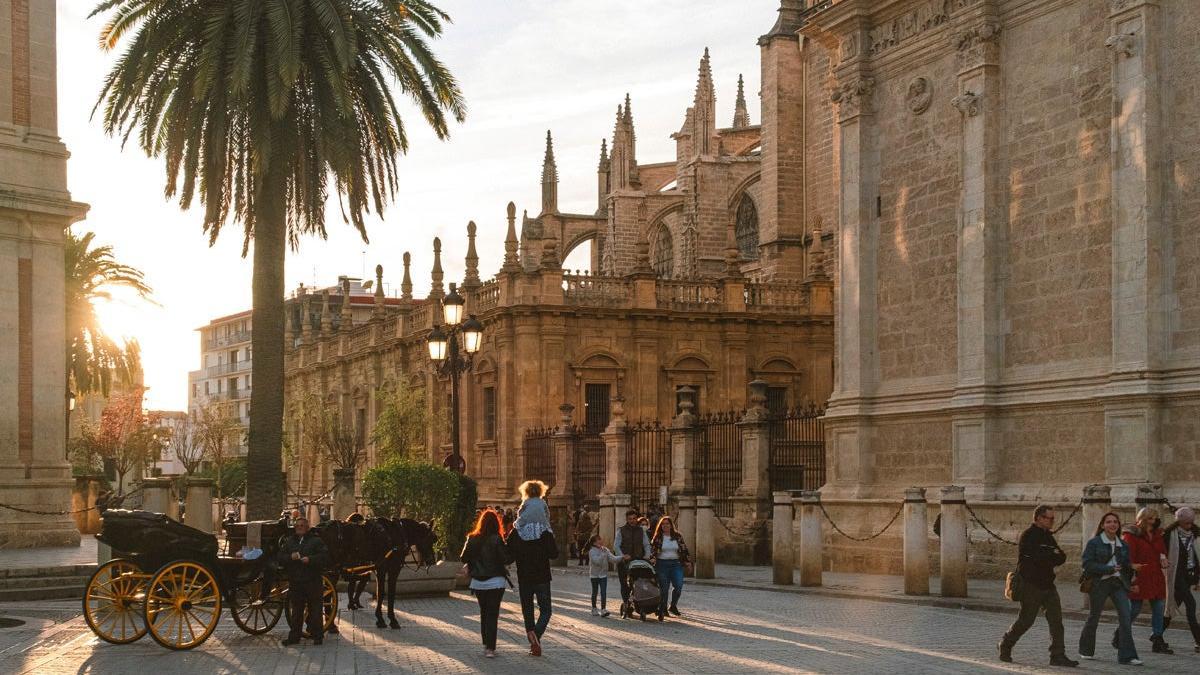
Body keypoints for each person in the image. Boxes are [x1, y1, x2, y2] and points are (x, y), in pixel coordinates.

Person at [998, 505, 1077, 667]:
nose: (1053, 521)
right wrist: (1049, 556)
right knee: (1026, 620)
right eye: (1050, 518)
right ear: (1039, 518)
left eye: (1053, 518)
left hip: (1048, 585)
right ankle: (1005, 644)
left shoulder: (1048, 536)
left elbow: (1061, 556)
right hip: (1031, 585)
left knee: (1056, 622)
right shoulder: (1028, 536)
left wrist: (1048, 556)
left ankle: (1057, 655)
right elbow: (1034, 559)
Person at [1078, 512, 1140, 665]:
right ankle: (1086, 650)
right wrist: (1108, 569)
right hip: (1100, 583)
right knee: (1094, 616)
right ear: (1102, 525)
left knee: (1126, 617)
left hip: (1118, 584)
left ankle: (1127, 656)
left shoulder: (1123, 544)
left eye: (1115, 522)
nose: (1112, 524)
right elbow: (1087, 564)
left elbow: (1125, 565)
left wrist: (1132, 573)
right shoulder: (1095, 543)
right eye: (1108, 522)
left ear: (1118, 525)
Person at [1116, 508, 1172, 654]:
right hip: (1139, 575)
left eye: (1155, 518)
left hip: (1155, 575)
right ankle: (1120, 633)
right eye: (1151, 519)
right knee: (1135, 608)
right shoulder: (1131, 536)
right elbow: (1128, 558)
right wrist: (1131, 577)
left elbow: (1162, 551)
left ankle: (1157, 638)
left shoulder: (1157, 534)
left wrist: (1164, 558)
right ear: (1142, 519)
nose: (1154, 522)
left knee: (1159, 608)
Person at [506, 504, 559, 657]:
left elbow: (508, 554)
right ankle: (536, 634)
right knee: (546, 610)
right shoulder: (545, 531)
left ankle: (533, 639)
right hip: (542, 576)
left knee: (527, 610)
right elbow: (554, 554)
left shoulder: (517, 531)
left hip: (524, 577)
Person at [460, 509, 512, 659]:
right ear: (496, 523)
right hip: (496, 581)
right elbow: (505, 559)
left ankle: (486, 644)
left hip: (478, 582)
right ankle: (490, 648)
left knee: (484, 612)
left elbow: (463, 558)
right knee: (492, 614)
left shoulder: (472, 538)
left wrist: (472, 561)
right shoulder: (497, 539)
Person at [279, 516, 330, 646]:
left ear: (307, 528)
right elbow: (280, 557)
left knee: (315, 609)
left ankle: (317, 636)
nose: (299, 528)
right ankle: (294, 636)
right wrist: (290, 557)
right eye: (297, 526)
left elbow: (324, 557)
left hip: (312, 580)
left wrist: (310, 559)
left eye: (302, 526)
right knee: (296, 610)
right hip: (296, 580)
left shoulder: (316, 541)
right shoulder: (290, 542)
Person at [1164, 506, 1200, 653]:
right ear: (1179, 522)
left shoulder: (1196, 533)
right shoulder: (1169, 534)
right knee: (1191, 605)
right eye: (1186, 523)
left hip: (1191, 575)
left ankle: (1157, 634)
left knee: (1172, 607)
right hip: (1176, 574)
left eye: (1191, 522)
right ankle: (1199, 640)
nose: (1189, 525)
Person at [649, 515, 690, 621]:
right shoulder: (658, 537)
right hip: (662, 564)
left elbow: (684, 549)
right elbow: (653, 550)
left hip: (676, 564)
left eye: (667, 524)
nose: (665, 526)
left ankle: (673, 605)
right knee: (664, 588)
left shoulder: (677, 536)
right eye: (663, 524)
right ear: (660, 526)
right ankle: (663, 609)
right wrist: (653, 558)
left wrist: (687, 562)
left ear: (671, 525)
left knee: (678, 585)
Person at [613, 509, 650, 606]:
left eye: (634, 518)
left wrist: (647, 556)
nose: (632, 520)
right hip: (624, 562)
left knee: (638, 583)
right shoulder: (621, 530)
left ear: (636, 519)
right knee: (624, 584)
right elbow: (616, 546)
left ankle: (636, 601)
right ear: (627, 519)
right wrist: (622, 555)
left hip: (638, 561)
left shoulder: (641, 530)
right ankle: (626, 602)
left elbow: (646, 544)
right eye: (630, 519)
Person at [587, 534, 622, 617]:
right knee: (594, 592)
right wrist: (603, 554)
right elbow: (597, 562)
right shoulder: (592, 551)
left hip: (603, 575)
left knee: (603, 592)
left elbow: (613, 559)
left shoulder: (605, 550)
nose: (601, 540)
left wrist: (622, 557)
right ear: (594, 543)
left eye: (600, 539)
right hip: (594, 575)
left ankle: (603, 609)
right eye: (599, 539)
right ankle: (594, 608)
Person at [344, 513, 370, 610]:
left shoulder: (350, 528)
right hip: (356, 559)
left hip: (354, 559)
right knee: (359, 579)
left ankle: (353, 600)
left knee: (354, 581)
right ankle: (354, 600)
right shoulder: (355, 529)